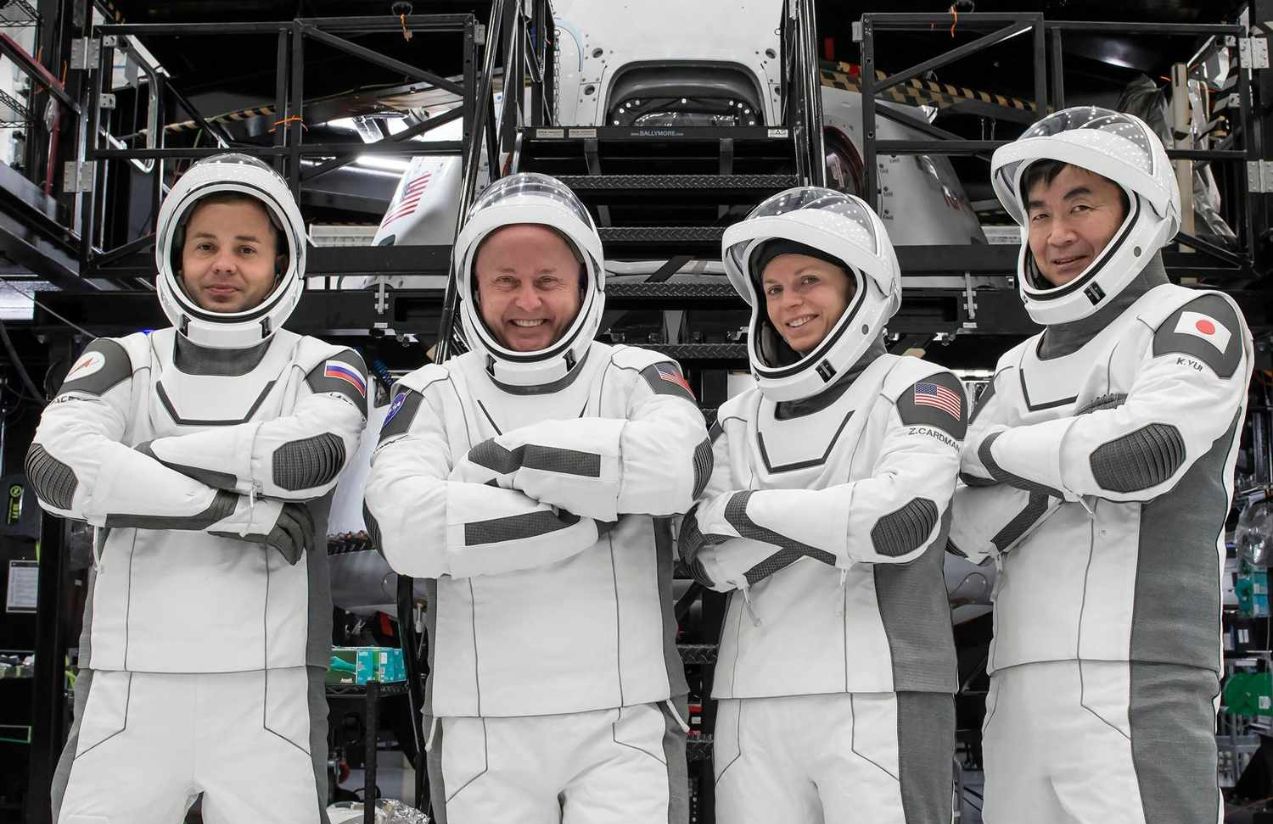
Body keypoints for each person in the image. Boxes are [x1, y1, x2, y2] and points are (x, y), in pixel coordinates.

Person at [27, 153, 368, 824]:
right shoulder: (123, 357)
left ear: (280, 263)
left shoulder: (324, 364)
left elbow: (308, 457)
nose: (223, 265)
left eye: (246, 248)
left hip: (268, 695)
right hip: (126, 688)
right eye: (205, 246)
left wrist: (144, 457)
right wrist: (232, 513)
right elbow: (58, 470)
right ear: (175, 256)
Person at [363, 172, 709, 824]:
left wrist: (500, 464)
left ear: (583, 284)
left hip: (623, 715)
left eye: (547, 281)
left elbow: (679, 468)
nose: (527, 301)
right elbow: (401, 525)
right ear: (471, 287)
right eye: (505, 281)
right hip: (479, 722)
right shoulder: (433, 390)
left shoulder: (638, 373)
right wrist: (577, 511)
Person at [950, 106, 1254, 824]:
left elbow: (1136, 454)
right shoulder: (1013, 365)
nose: (1056, 235)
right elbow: (965, 522)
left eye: (1080, 206)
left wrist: (985, 452)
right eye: (1038, 213)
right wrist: (1068, 453)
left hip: (1140, 673)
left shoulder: (1191, 317)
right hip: (1016, 678)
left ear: (1139, 210)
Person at [678, 187, 963, 824]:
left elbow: (896, 522)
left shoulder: (919, 386)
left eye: (808, 280)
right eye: (773, 289)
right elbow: (706, 557)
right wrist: (836, 514)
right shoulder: (736, 413)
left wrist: (741, 509)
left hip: (883, 689)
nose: (788, 304)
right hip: (751, 695)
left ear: (863, 288)